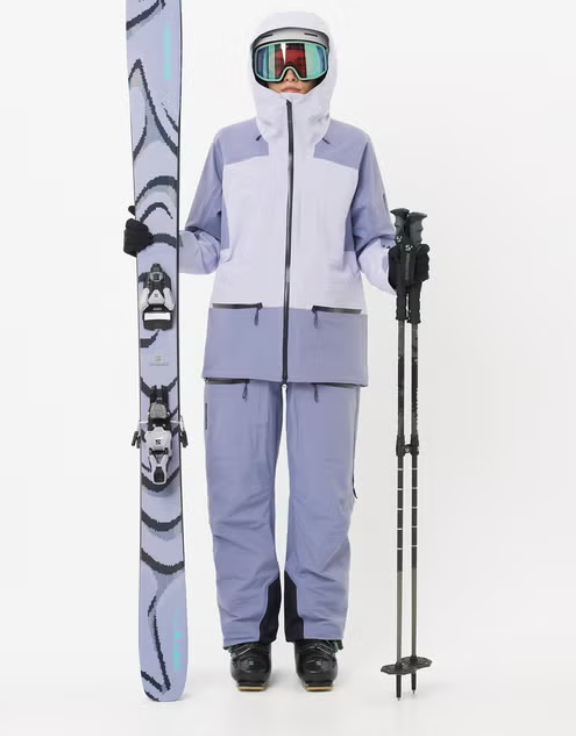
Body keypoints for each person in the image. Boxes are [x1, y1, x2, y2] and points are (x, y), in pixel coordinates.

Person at [124, 10, 428, 691]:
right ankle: (246, 636)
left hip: (330, 346)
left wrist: (398, 267)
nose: (290, 77)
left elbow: (371, 243)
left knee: (324, 498)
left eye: (304, 60)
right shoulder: (230, 147)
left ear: (327, 67)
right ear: (256, 70)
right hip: (239, 343)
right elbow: (205, 242)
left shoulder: (354, 148)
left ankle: (318, 634)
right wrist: (159, 245)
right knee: (237, 492)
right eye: (276, 61)